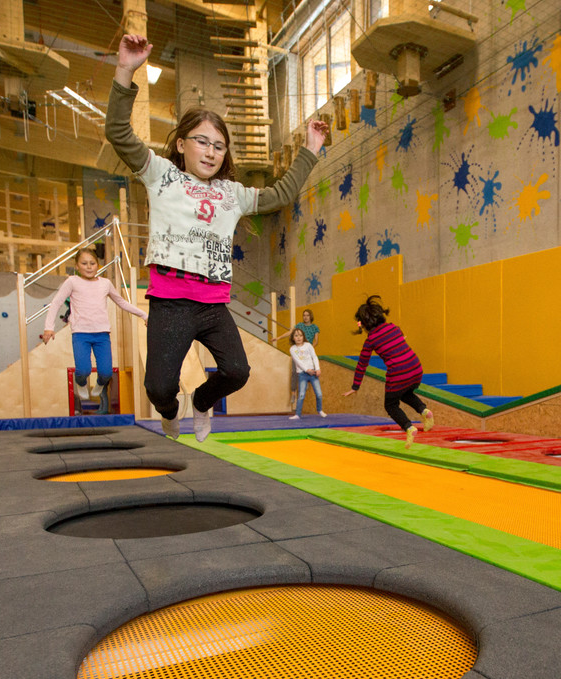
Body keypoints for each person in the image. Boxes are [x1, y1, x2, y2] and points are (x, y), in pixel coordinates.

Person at [106, 33, 326, 441]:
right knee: (158, 387)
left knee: (238, 371)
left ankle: (203, 402)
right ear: (182, 143)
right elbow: (119, 132)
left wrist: (310, 148)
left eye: (219, 146)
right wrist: (126, 70)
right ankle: (173, 412)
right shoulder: (161, 174)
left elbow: (280, 194)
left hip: (211, 302)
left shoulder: (232, 193)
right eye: (202, 142)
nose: (210, 152)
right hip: (170, 301)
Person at [39, 247, 148, 405]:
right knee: (83, 370)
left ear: (98, 265)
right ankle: (81, 383)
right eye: (84, 263)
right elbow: (56, 303)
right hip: (81, 334)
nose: (89, 267)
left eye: (92, 263)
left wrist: (144, 315)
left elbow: (121, 302)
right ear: (77, 266)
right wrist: (49, 327)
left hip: (102, 334)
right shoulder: (72, 282)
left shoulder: (105, 284)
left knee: (106, 373)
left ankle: (100, 384)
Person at [342, 296, 434, 448]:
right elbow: (401, 336)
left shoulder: (370, 339)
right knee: (404, 393)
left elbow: (362, 364)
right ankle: (424, 411)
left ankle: (408, 427)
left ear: (364, 324)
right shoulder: (393, 327)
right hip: (416, 368)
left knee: (390, 404)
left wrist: (355, 386)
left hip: (399, 372)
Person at [288, 327, 326, 420]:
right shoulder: (292, 349)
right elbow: (298, 362)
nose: (298, 337)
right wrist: (307, 370)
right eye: (296, 336)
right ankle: (298, 414)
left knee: (319, 393)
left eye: (300, 335)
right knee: (301, 394)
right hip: (302, 374)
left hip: (313, 373)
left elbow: (314, 357)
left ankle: (320, 410)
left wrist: (317, 369)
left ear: (303, 336)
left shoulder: (308, 345)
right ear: (293, 338)